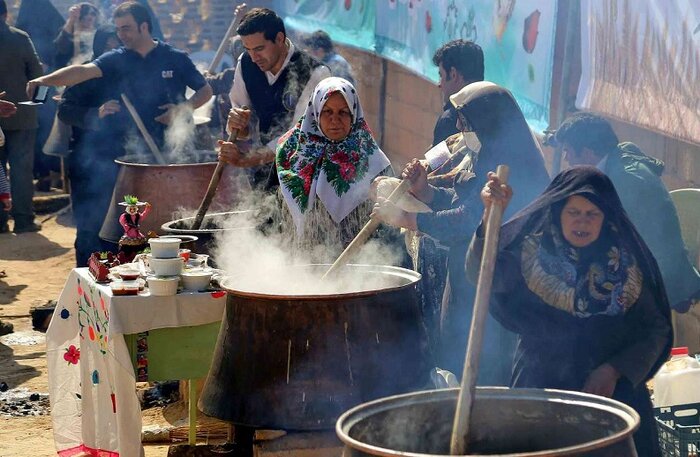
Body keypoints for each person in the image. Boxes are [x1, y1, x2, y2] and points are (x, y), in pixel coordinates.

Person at [469, 166, 672, 457]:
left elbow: (656, 329)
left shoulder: (628, 266)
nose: (583, 222)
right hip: (540, 392)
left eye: (592, 214)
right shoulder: (532, 254)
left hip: (612, 399)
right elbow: (482, 271)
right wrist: (490, 215)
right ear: (557, 212)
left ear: (606, 218)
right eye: (573, 212)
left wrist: (613, 370)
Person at [372, 81, 550, 382]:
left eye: (464, 121)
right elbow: (463, 200)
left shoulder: (512, 167)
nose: (457, 126)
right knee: (457, 361)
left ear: (487, 121)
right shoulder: (487, 155)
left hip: (499, 289)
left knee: (485, 372)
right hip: (466, 276)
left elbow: (469, 220)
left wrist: (410, 220)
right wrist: (425, 191)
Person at [554, 112, 700, 311]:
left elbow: (613, 241)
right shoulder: (617, 161)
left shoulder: (626, 181)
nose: (566, 159)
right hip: (650, 269)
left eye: (568, 151)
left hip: (662, 281)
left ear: (588, 152)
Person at [26, 1, 212, 152]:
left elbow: (205, 90)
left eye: (126, 28)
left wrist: (182, 110)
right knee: (133, 199)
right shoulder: (117, 58)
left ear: (144, 27)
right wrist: (44, 80)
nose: (121, 35)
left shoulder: (174, 57)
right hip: (131, 147)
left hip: (174, 144)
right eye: (118, 29)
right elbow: (82, 71)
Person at [267, 76, 396, 261]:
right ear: (316, 112)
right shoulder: (290, 153)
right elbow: (269, 213)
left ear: (354, 113)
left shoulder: (373, 161)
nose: (335, 119)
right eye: (327, 111)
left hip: (357, 267)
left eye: (343, 112)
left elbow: (388, 224)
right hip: (298, 266)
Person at [219, 7, 331, 189]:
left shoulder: (315, 73)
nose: (254, 57)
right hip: (264, 171)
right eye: (248, 49)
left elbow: (299, 138)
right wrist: (238, 124)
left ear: (280, 39)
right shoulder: (246, 63)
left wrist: (246, 160)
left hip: (305, 176)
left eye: (259, 49)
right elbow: (242, 126)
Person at [57, 26, 124, 266]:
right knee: (89, 227)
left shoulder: (132, 73)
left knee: (123, 227)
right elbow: (64, 110)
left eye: (117, 46)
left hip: (124, 161)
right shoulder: (85, 74)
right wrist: (96, 113)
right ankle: (85, 282)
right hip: (88, 163)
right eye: (107, 46)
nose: (112, 52)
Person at [0, 0, 44, 233]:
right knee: (21, 170)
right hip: (22, 115)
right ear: (6, 14)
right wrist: (41, 104)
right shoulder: (20, 37)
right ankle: (24, 220)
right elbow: (38, 75)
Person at [431, 39, 484, 146]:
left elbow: (438, 162)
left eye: (441, 75)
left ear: (453, 75)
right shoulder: (498, 109)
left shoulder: (450, 119)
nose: (439, 84)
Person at [54, 2, 100, 68]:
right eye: (85, 13)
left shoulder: (99, 33)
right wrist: (72, 20)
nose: (90, 17)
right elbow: (62, 48)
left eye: (93, 14)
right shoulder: (69, 31)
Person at [118, 195, 151, 261]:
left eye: (134, 209)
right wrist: (127, 227)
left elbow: (143, 216)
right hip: (129, 234)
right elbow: (122, 221)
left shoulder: (137, 215)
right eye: (131, 209)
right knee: (127, 248)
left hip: (137, 234)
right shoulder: (124, 216)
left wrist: (147, 208)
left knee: (141, 245)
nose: (132, 210)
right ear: (128, 209)